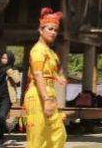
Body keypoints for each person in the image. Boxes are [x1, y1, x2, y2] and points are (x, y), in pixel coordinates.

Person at [25, 9, 66, 148]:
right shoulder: (38, 50)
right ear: (40, 30)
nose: (53, 32)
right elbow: (37, 74)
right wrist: (46, 99)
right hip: (38, 94)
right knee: (38, 137)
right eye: (50, 29)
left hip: (48, 91)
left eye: (55, 30)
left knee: (58, 134)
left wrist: (57, 77)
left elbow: (48, 70)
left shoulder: (50, 51)